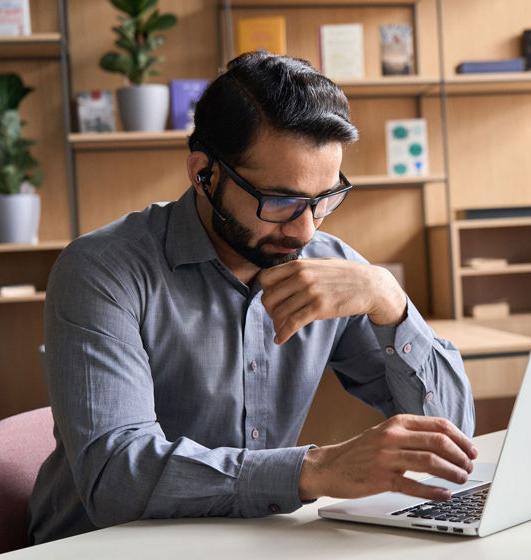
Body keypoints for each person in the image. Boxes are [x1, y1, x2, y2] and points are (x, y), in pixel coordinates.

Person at [28, 51, 476, 544]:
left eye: (324, 199)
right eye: (281, 201)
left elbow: (451, 436)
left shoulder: (331, 266)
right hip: (101, 548)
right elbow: (116, 479)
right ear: (204, 174)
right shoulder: (102, 271)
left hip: (252, 541)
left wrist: (390, 302)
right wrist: (315, 469)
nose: (305, 229)